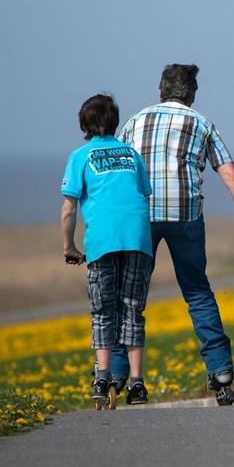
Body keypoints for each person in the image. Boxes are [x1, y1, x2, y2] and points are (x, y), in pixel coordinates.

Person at [112, 64, 234, 405]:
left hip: (142, 216)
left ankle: (120, 374)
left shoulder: (135, 122)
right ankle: (220, 371)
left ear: (160, 91)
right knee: (197, 292)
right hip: (186, 216)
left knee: (130, 297)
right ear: (192, 95)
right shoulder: (202, 123)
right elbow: (232, 177)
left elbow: (117, 173)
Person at [60, 94, 154, 405]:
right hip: (138, 239)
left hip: (102, 242)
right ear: (114, 122)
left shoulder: (81, 156)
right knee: (132, 310)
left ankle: (102, 378)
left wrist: (69, 246)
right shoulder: (131, 154)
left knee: (103, 311)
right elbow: (142, 194)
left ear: (83, 125)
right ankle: (137, 383)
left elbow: (68, 209)